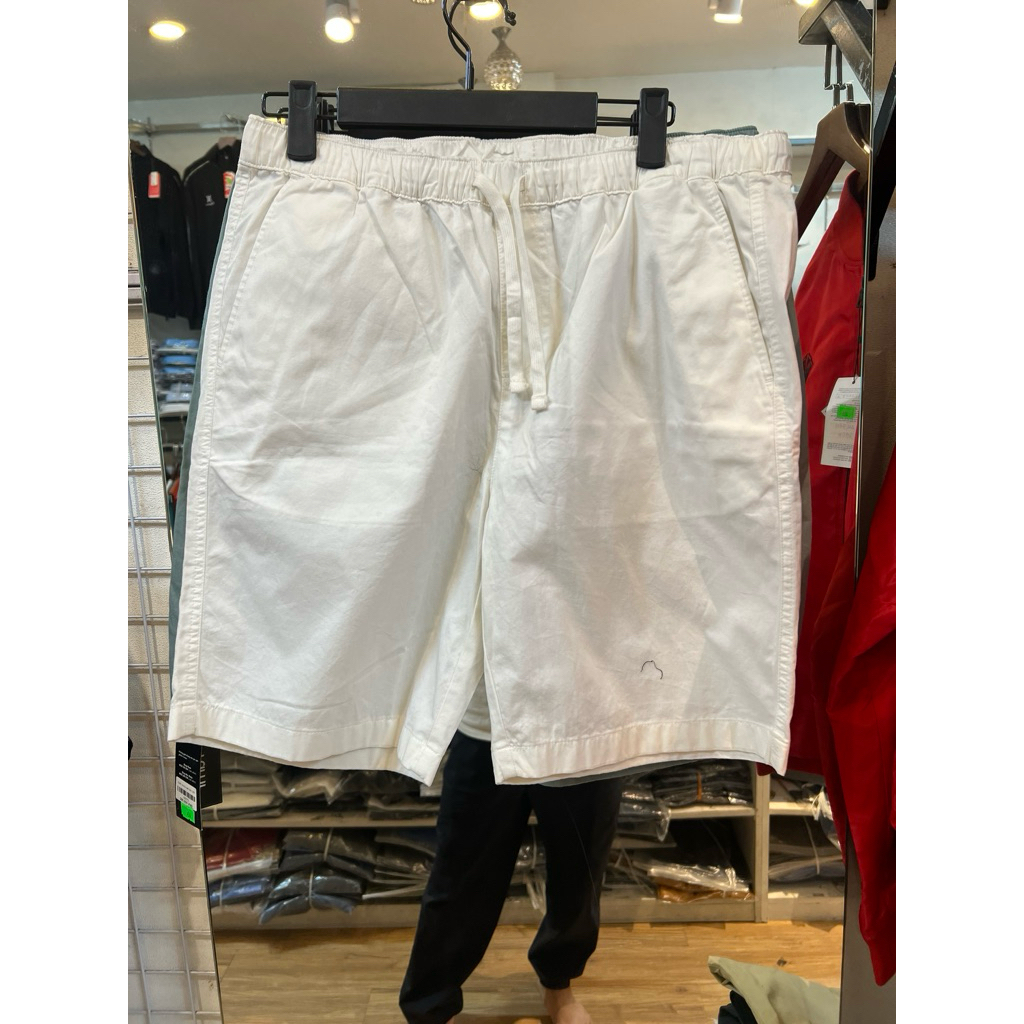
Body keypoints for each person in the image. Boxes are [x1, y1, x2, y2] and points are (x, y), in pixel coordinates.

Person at [399, 683, 624, 1024]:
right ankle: (430, 1007)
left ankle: (557, 982)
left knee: (580, 874)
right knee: (460, 875)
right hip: (488, 721)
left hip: (585, 723)